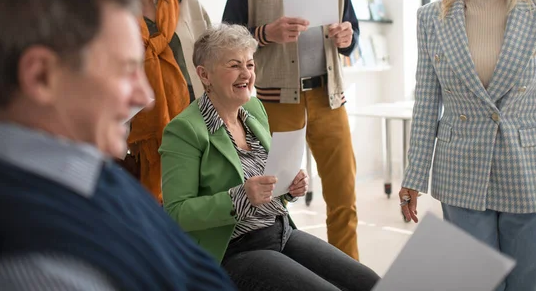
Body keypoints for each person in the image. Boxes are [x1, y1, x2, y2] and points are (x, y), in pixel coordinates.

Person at [0, 0, 235, 291]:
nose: (145, 96)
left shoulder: (85, 168)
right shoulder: (32, 263)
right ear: (41, 77)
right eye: (125, 70)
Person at [400, 0, 536, 291]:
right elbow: (426, 102)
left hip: (534, 171)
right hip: (461, 169)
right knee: (473, 282)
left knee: (530, 283)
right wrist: (413, 177)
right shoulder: (431, 17)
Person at [160, 24, 380, 290]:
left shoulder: (253, 107)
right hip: (234, 250)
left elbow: (267, 184)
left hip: (281, 231)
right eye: (234, 65)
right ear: (204, 74)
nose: (246, 74)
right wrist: (241, 197)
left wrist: (289, 188)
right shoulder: (184, 130)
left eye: (250, 64)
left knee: (373, 283)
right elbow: (176, 213)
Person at [222, 0, 361, 260]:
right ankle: (280, 272)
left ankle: (349, 276)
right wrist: (266, 33)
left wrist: (347, 38)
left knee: (344, 196)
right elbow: (226, 39)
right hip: (273, 103)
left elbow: (352, 36)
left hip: (329, 99)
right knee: (273, 197)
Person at [111, 0, 211, 203]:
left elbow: (213, 55)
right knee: (162, 209)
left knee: (205, 200)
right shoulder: (112, 17)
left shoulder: (185, 3)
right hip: (146, 136)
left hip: (199, 121)